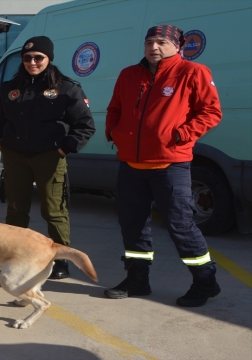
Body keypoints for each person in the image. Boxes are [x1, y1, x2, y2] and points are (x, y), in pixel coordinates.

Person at [104, 25, 222, 307]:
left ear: (177, 46)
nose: (154, 47)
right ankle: (137, 280)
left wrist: (181, 135)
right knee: (132, 226)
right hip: (131, 165)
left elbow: (211, 112)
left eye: (161, 42)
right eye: (149, 42)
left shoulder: (193, 72)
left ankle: (206, 281)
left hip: (171, 165)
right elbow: (115, 109)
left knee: (180, 225)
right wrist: (114, 131)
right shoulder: (128, 74)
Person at [0, 36, 96, 279]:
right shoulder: (10, 88)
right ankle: (14, 256)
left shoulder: (66, 88)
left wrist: (63, 149)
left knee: (53, 210)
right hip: (15, 157)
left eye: (39, 57)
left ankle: (60, 261)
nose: (32, 62)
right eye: (27, 58)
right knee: (16, 210)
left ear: (49, 59)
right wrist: (1, 143)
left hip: (49, 157)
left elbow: (85, 125)